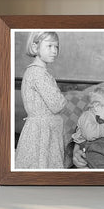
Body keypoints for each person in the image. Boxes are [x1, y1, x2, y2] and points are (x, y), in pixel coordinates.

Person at [15, 31, 67, 169]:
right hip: (42, 133)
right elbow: (57, 104)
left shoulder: (39, 72)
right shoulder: (38, 73)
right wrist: (62, 99)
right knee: (41, 167)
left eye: (56, 47)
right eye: (49, 46)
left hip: (46, 130)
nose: (54, 51)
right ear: (35, 47)